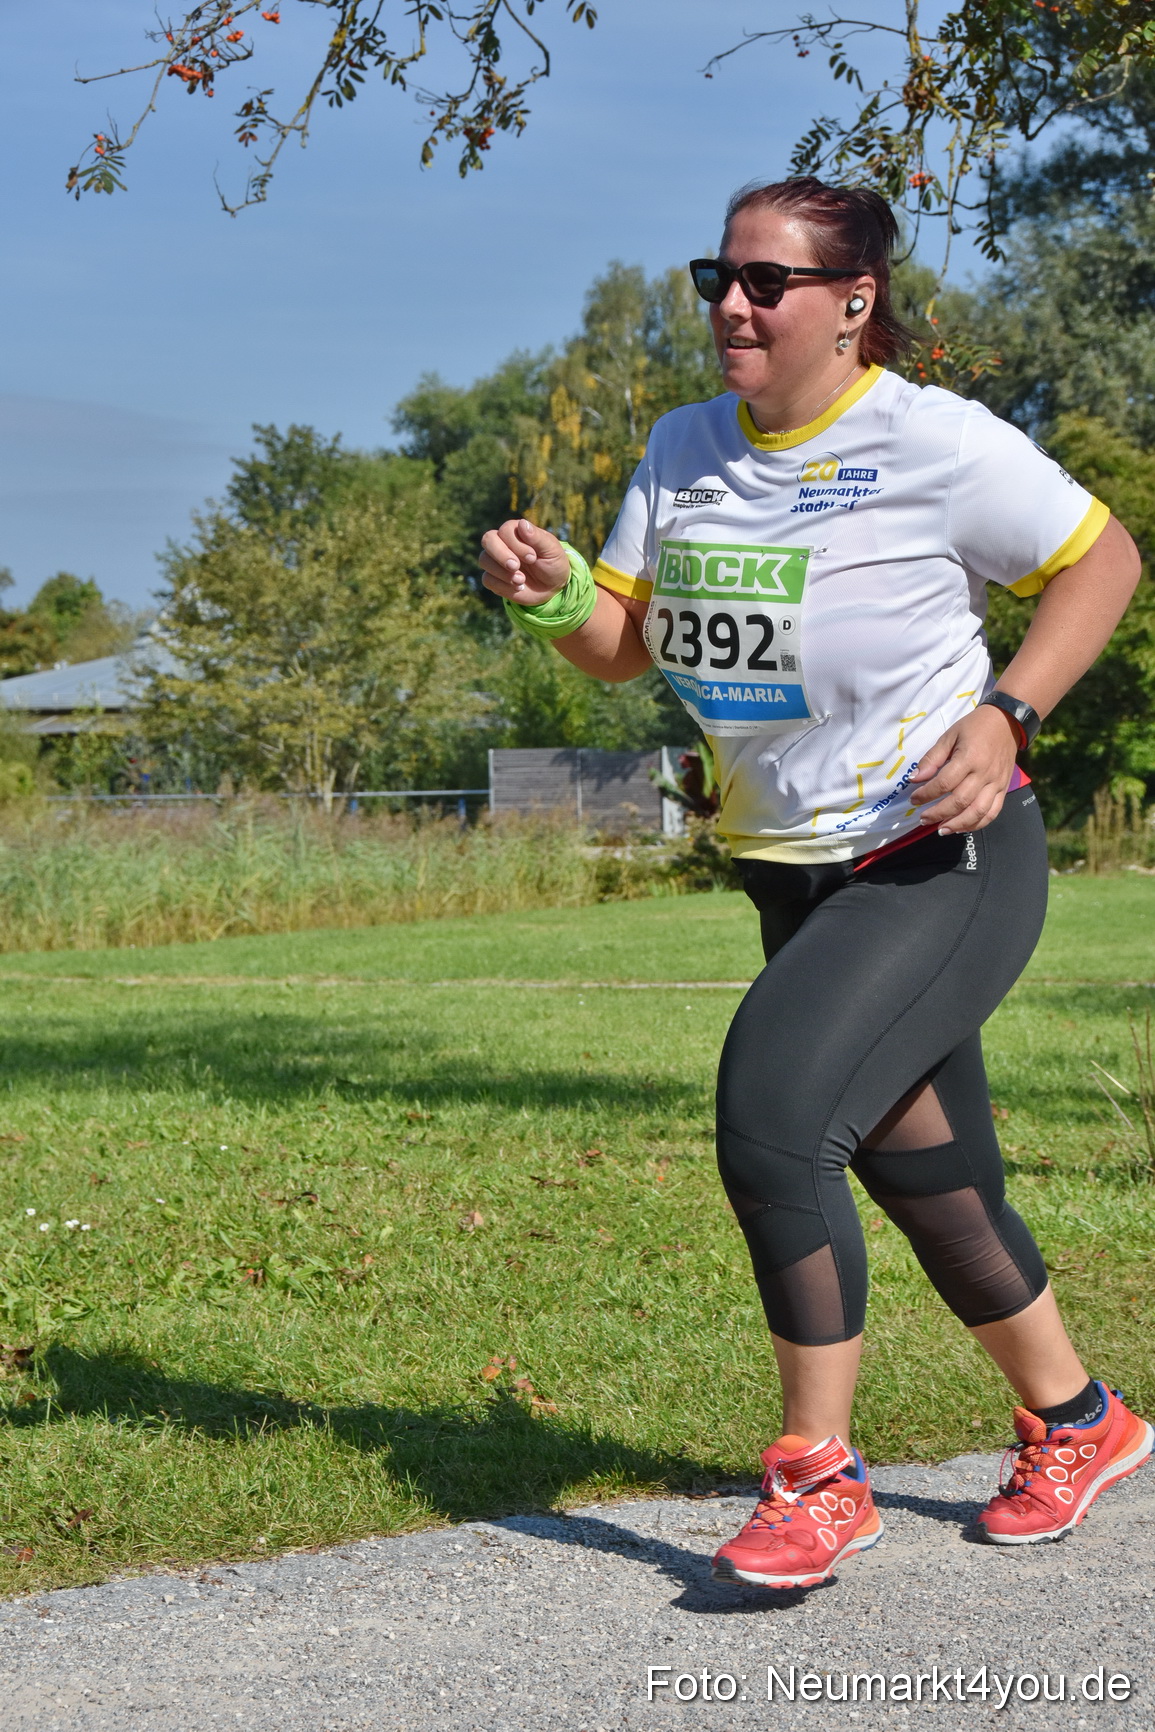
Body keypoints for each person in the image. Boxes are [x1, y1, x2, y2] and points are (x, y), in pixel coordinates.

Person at [478, 175, 1153, 1589]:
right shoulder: (683, 448)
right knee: (931, 1177)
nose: (732, 304)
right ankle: (1081, 1420)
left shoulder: (933, 440)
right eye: (718, 278)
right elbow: (628, 644)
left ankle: (818, 1473)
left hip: (940, 852)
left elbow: (1104, 560)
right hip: (787, 868)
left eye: (765, 283)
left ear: (853, 303)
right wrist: (555, 596)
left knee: (777, 1121)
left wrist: (1008, 713)